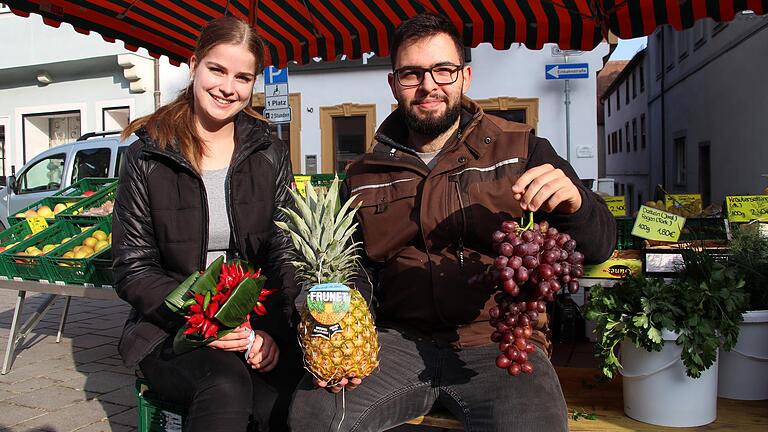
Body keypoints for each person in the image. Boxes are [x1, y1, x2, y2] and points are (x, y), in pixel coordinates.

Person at [289, 13, 616, 432]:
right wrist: (337, 334)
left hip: (500, 343)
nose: (429, 86)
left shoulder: (522, 148)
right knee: (312, 415)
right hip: (395, 345)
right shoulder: (363, 173)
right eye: (411, 74)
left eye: (442, 70)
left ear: (465, 76)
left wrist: (578, 204)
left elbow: (599, 246)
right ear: (393, 84)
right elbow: (354, 271)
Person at [113, 16, 301, 432]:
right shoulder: (148, 155)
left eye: (243, 77)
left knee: (290, 401)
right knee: (225, 385)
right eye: (217, 70)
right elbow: (132, 266)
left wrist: (275, 333)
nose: (227, 87)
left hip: (255, 321)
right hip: (168, 325)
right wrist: (207, 319)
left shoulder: (268, 151)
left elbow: (283, 248)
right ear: (195, 64)